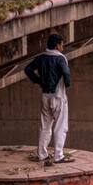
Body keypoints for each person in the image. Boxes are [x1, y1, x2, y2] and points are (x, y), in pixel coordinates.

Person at [24, 34, 74, 163]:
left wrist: (38, 81)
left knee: (45, 126)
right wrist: (67, 84)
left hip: (45, 96)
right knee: (60, 126)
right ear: (57, 45)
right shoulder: (60, 58)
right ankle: (58, 155)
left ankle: (42, 154)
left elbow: (28, 69)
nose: (63, 46)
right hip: (58, 96)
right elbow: (66, 74)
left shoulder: (41, 58)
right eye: (62, 44)